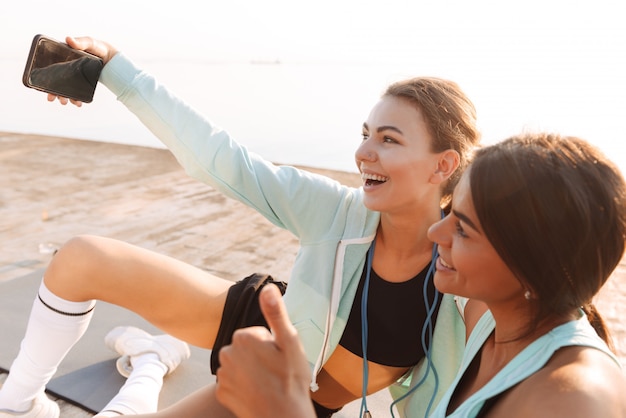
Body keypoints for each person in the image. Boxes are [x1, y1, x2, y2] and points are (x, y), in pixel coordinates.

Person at [0, 35, 481, 418]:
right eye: (364, 135)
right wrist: (118, 73)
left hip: (291, 401)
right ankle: (18, 402)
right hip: (269, 325)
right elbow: (227, 163)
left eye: (389, 139)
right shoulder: (337, 210)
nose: (363, 153)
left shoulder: (467, 265)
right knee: (82, 257)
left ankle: (150, 363)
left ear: (443, 165)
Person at [215, 132, 626, 418]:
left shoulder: (575, 399)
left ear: (532, 264)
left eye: (462, 228)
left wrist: (287, 410)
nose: (436, 233)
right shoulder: (498, 322)